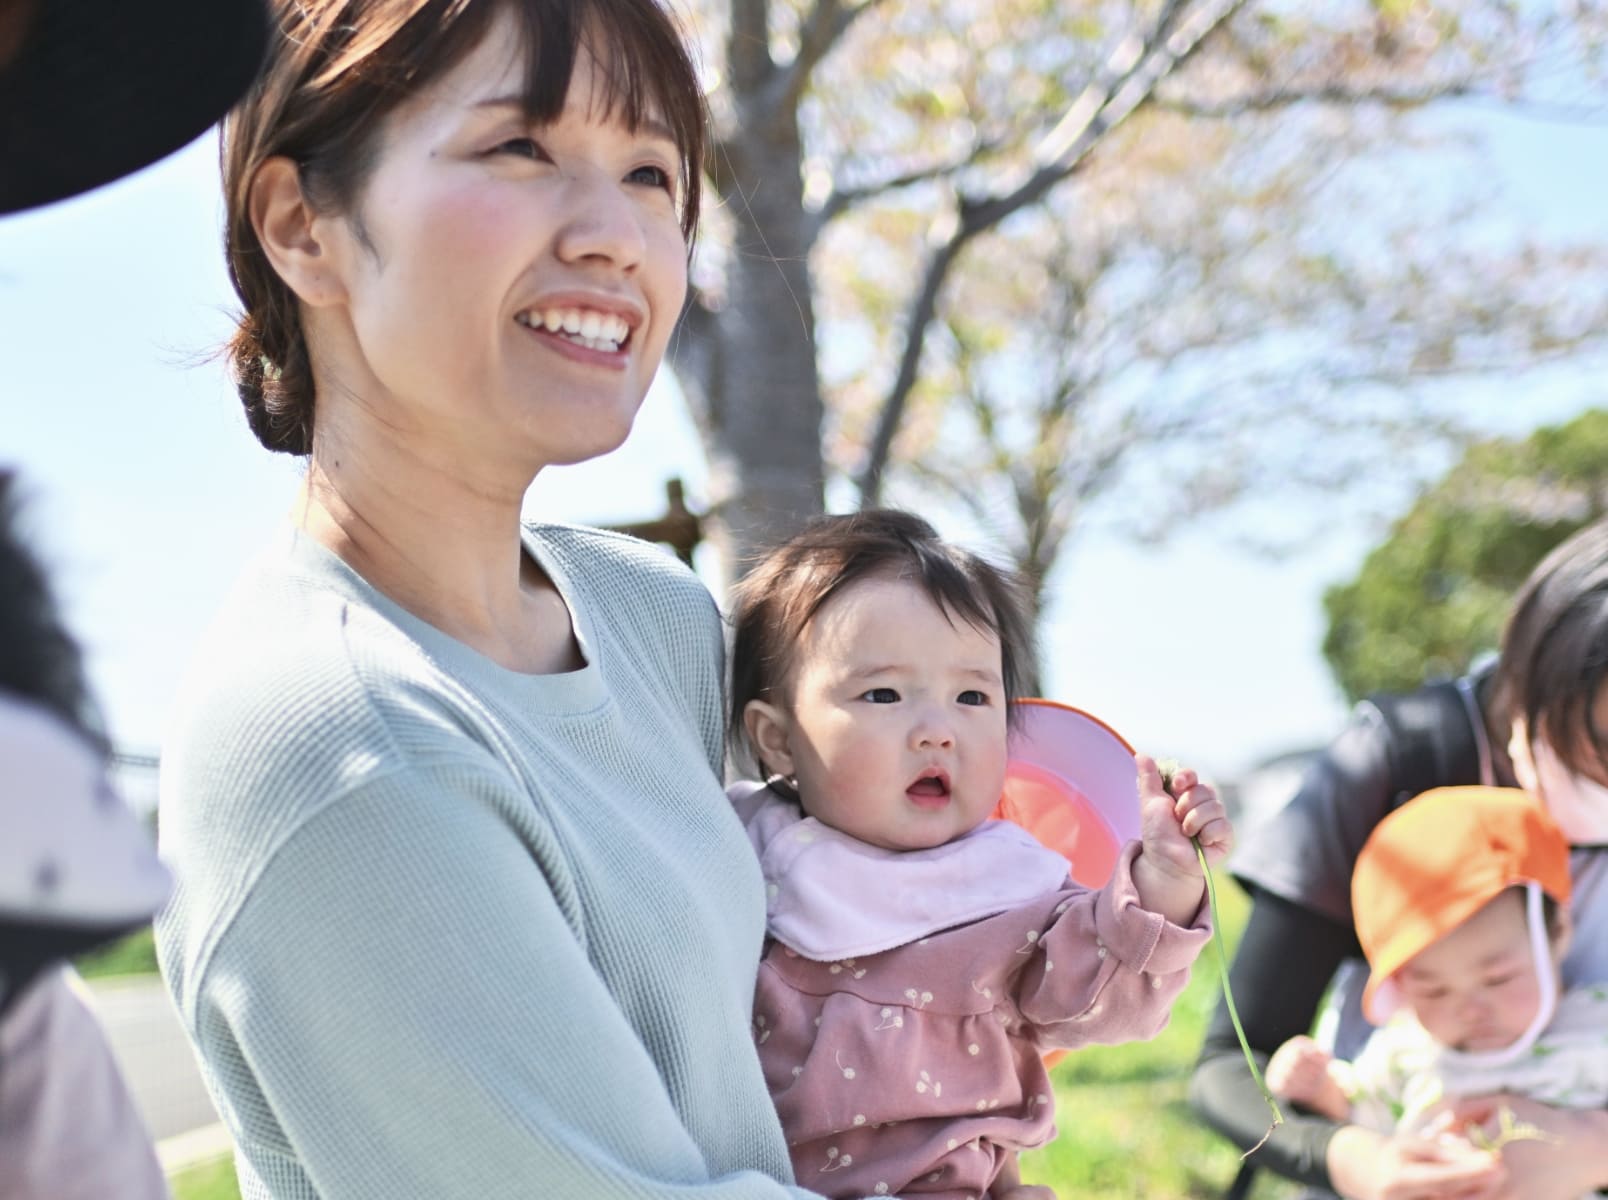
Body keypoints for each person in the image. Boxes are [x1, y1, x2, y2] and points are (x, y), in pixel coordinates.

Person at [151, 5, 1059, 1199]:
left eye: (650, 174)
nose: (618, 237)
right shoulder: (338, 744)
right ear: (301, 224)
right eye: (519, 148)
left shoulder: (652, 615)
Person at [724, 510, 1231, 1200]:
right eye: (883, 693)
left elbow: (1110, 999)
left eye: (971, 696)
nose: (938, 731)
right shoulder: (736, 858)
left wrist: (1165, 880)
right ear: (777, 738)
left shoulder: (1007, 890)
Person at [1190, 518, 1608, 1200]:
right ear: (1535, 690)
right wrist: (1349, 1155)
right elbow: (1231, 1063)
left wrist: (1594, 1148)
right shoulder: (1398, 761)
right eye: (1604, 751)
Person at [1265, 786, 1607, 1179]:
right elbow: (1361, 1112)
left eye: (1498, 979)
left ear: (1559, 931)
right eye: (1433, 990)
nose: (1469, 1008)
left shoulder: (1595, 1026)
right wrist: (1318, 1088)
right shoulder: (1406, 1051)